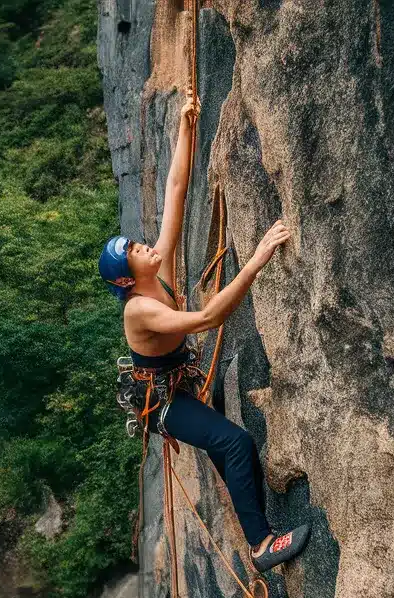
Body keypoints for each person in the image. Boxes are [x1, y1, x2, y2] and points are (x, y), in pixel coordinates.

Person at [99, 90, 310, 573]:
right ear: (128, 278)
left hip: (178, 379)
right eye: (134, 250)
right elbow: (208, 319)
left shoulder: (158, 266)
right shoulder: (139, 310)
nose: (145, 244)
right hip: (165, 405)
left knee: (222, 443)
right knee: (235, 443)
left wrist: (184, 126)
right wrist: (255, 261)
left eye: (135, 242)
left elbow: (175, 189)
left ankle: (241, 495)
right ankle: (261, 547)